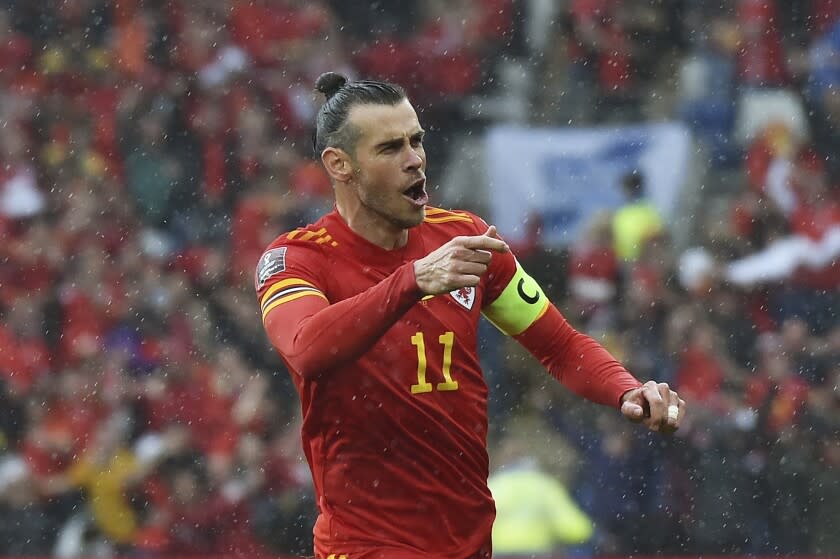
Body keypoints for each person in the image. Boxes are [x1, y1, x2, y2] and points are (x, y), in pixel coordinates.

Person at [255, 72, 686, 559]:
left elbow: (559, 345)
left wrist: (626, 389)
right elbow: (308, 349)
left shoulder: (465, 241)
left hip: (468, 541)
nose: (415, 159)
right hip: (367, 543)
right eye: (390, 148)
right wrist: (412, 280)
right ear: (340, 165)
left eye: (416, 140)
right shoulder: (296, 260)